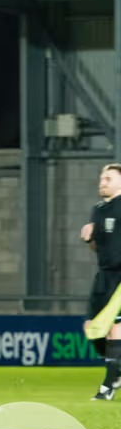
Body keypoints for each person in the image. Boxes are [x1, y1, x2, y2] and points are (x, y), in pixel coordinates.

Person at [83, 163, 121, 401]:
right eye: (101, 178)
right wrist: (89, 239)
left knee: (116, 329)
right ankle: (116, 371)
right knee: (93, 329)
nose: (102, 182)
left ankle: (109, 384)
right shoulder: (98, 209)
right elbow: (98, 247)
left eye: (108, 178)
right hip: (103, 275)